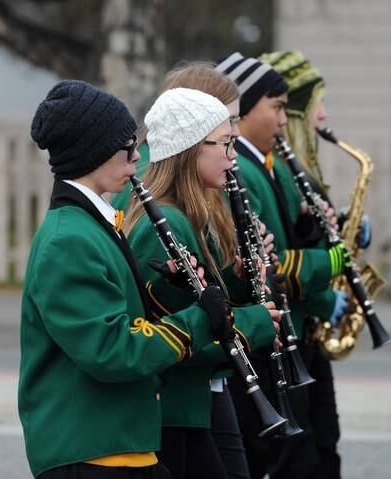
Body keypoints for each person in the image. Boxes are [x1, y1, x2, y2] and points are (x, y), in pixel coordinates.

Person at [20, 79, 235, 479]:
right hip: (91, 451)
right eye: (127, 146)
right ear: (95, 152)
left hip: (121, 445)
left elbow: (122, 315)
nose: (138, 155)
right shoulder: (68, 239)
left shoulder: (94, 225)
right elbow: (109, 350)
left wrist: (172, 295)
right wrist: (197, 321)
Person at [125, 87, 281, 479]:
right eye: (226, 144)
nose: (233, 158)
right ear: (192, 147)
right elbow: (175, 336)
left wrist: (243, 284)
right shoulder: (165, 225)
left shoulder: (190, 216)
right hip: (172, 409)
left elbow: (207, 301)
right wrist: (256, 326)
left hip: (193, 401)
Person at [216, 52, 347, 479]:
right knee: (289, 458)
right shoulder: (244, 172)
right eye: (276, 107)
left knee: (318, 449)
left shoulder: (268, 165)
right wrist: (328, 263)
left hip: (287, 329)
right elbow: (273, 264)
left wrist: (328, 226)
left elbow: (288, 233)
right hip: (269, 335)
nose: (283, 119)